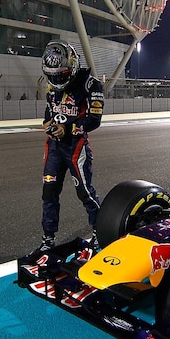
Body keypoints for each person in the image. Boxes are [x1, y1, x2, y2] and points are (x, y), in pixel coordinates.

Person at [36, 41, 104, 259]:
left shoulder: (90, 85)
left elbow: (94, 120)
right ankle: (48, 240)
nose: (56, 80)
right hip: (54, 147)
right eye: (51, 75)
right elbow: (48, 115)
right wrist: (48, 126)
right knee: (49, 193)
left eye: (60, 74)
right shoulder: (50, 88)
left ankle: (99, 232)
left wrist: (68, 129)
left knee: (85, 192)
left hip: (76, 147)